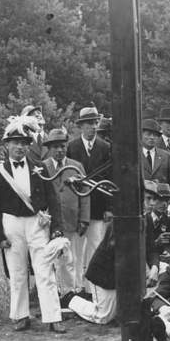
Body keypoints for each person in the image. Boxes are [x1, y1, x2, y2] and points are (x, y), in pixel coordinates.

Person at [0, 115, 66, 333]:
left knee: (45, 270)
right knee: (17, 272)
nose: (19, 147)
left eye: (23, 143)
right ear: (7, 145)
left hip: (37, 223)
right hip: (11, 224)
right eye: (15, 143)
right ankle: (21, 316)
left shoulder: (40, 167)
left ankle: (53, 317)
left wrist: (57, 229)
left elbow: (53, 200)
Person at [67, 106, 112, 294]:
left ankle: (93, 290)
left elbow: (111, 179)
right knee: (76, 250)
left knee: (95, 248)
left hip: (99, 207)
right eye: (88, 124)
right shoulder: (72, 147)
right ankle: (76, 288)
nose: (92, 127)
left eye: (95, 123)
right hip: (78, 206)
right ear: (81, 126)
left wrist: (110, 207)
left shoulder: (105, 147)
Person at [43, 128, 90, 295]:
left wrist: (84, 218)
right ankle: (53, 292)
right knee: (52, 259)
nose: (59, 150)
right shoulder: (43, 167)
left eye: (62, 146)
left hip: (72, 219)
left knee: (70, 258)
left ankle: (70, 292)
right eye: (55, 147)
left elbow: (85, 194)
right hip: (50, 222)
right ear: (49, 148)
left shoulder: (76, 167)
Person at [61, 222, 118, 325]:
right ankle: (70, 299)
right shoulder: (117, 225)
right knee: (103, 317)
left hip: (121, 278)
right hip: (104, 275)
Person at [145, 181, 170, 283]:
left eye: (167, 200)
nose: (164, 204)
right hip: (146, 259)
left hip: (161, 258)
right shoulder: (145, 218)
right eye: (160, 200)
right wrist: (157, 242)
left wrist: (169, 251)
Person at [141, 118, 170, 185]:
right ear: (141, 135)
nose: (152, 137)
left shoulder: (165, 156)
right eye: (148, 134)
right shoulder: (135, 155)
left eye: (155, 135)